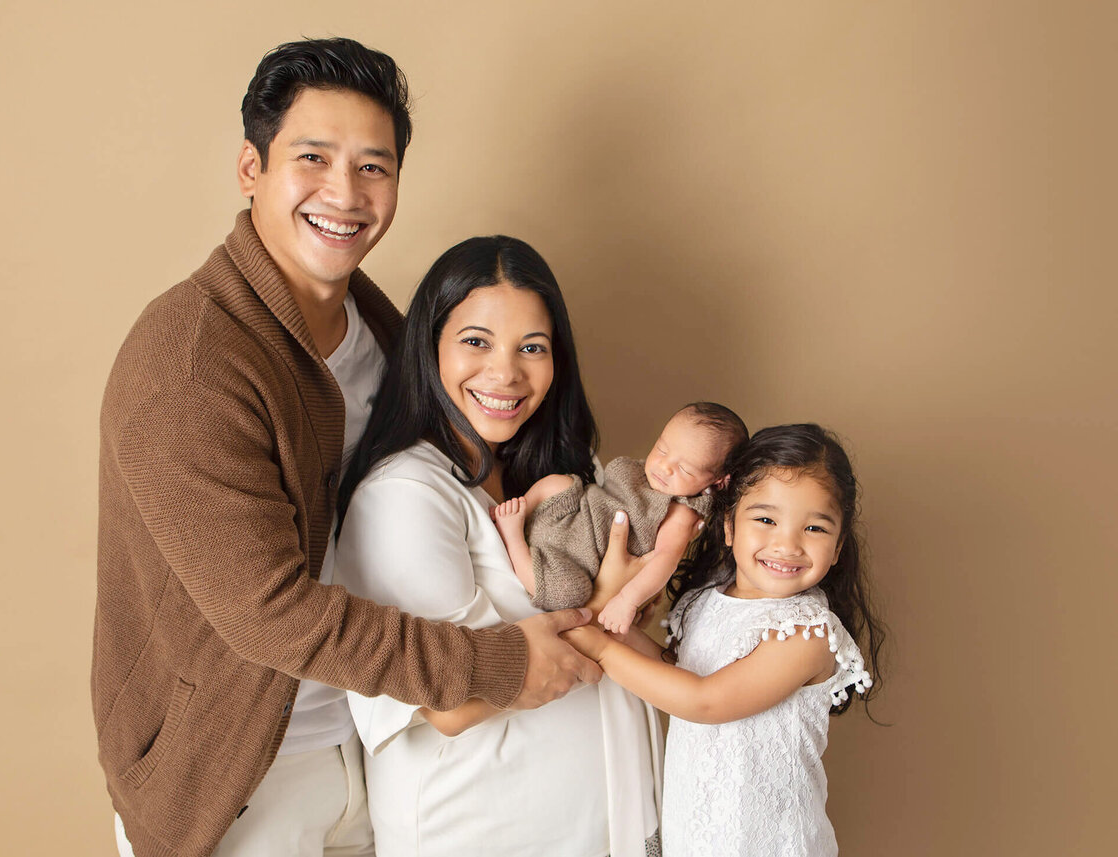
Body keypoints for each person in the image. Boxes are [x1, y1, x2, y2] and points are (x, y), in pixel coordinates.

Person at [93, 38, 602, 857]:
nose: (345, 192)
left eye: (374, 166)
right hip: (237, 784)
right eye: (313, 158)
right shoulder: (187, 363)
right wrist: (494, 666)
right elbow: (270, 611)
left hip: (379, 757)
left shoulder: (392, 337)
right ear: (250, 168)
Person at [334, 235, 663, 857]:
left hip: (599, 819)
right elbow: (449, 703)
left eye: (531, 348)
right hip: (483, 827)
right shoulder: (405, 493)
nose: (506, 374)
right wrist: (610, 603)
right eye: (476, 341)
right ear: (430, 349)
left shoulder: (560, 476)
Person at [565, 424, 886, 856]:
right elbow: (673, 671)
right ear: (730, 525)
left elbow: (705, 701)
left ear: (839, 543)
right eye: (767, 519)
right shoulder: (707, 600)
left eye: (815, 528)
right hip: (699, 833)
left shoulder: (807, 632)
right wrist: (609, 631)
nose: (787, 544)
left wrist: (602, 648)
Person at [493, 402, 747, 634]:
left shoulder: (681, 511)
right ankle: (520, 511)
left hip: (578, 562)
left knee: (567, 593)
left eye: (684, 469)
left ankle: (513, 539)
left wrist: (627, 600)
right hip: (571, 518)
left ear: (718, 482)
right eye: (662, 448)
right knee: (560, 483)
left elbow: (663, 561)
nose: (664, 466)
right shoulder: (644, 474)